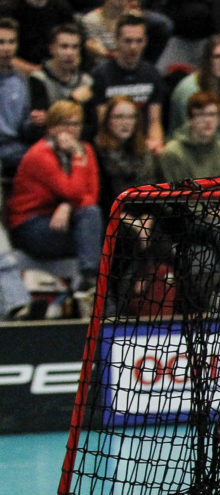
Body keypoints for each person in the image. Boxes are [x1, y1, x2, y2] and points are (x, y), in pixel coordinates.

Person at [7, 99, 102, 296]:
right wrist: (77, 158)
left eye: (75, 124)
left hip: (64, 221)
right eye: (63, 124)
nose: (69, 130)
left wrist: (67, 206)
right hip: (31, 226)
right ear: (51, 127)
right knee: (93, 238)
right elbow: (73, 191)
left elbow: (92, 195)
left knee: (92, 215)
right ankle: (91, 286)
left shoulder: (86, 149)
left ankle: (89, 282)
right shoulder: (40, 153)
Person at [90, 14, 165, 155]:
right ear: (116, 40)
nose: (133, 47)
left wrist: (156, 143)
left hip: (143, 145)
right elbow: (103, 123)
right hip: (112, 145)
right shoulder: (100, 75)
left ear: (145, 42)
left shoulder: (152, 74)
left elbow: (155, 121)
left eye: (138, 41)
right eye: (128, 41)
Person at [168, 36, 220, 142]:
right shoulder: (188, 88)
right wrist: (219, 112)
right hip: (189, 147)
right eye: (218, 57)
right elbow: (192, 132)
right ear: (207, 59)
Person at [95, 93, 159, 214]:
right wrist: (127, 220)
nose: (126, 123)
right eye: (119, 117)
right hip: (113, 215)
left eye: (131, 117)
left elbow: (153, 192)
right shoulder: (97, 151)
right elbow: (103, 198)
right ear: (107, 120)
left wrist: (148, 217)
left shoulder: (145, 151)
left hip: (146, 215)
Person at [158, 91, 220, 182]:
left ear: (219, 119)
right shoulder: (173, 152)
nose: (207, 120)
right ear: (190, 119)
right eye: (201, 115)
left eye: (212, 114)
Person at [29, 23, 93, 133]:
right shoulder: (39, 79)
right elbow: (40, 128)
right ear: (52, 49)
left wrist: (50, 117)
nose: (70, 53)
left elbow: (90, 126)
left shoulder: (86, 81)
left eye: (75, 47)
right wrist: (73, 100)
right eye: (64, 47)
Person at [0, 17, 37, 174]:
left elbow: (25, 125)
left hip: (16, 148)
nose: (7, 48)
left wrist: (35, 122)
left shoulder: (22, 80)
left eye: (11, 42)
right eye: (1, 42)